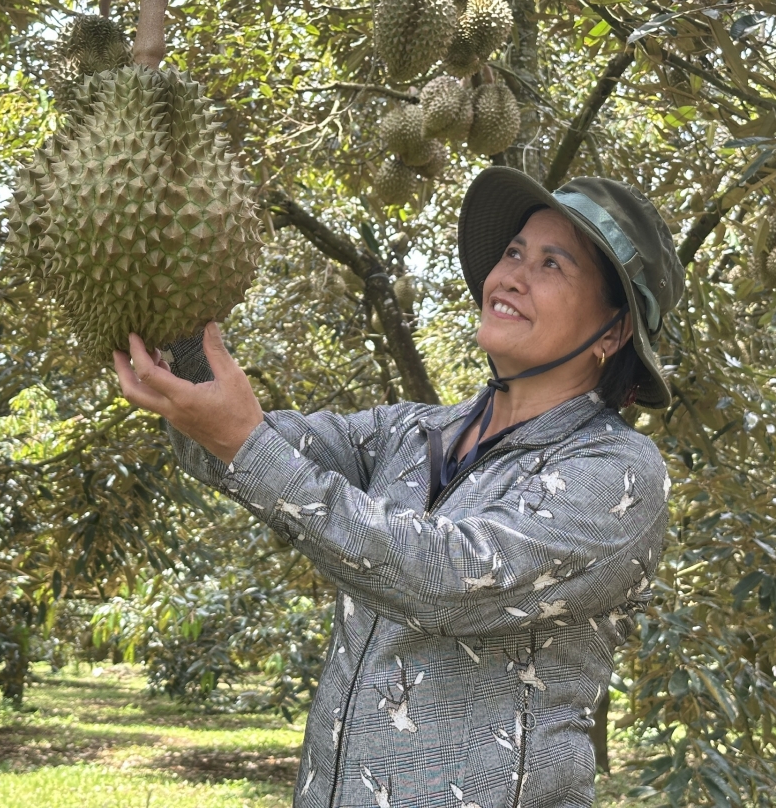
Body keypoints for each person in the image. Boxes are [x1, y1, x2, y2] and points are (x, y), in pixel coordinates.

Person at [113, 166, 685, 808]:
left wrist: (244, 442)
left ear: (612, 331)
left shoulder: (618, 471)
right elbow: (239, 449)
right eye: (514, 252)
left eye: (554, 264)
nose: (513, 275)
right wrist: (164, 297)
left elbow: (449, 582)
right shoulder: (411, 433)